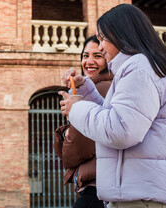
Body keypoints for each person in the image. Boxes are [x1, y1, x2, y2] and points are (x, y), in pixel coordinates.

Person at [58, 4, 166, 208]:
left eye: (103, 38)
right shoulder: (143, 67)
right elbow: (119, 115)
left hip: (144, 198)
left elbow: (120, 130)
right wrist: (84, 88)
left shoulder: (139, 69)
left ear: (121, 34)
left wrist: (75, 109)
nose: (100, 47)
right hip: (145, 194)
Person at [54, 35, 112, 208]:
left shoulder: (104, 87)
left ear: (108, 58)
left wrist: (66, 133)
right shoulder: (95, 88)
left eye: (97, 56)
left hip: (98, 186)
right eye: (85, 56)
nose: (89, 62)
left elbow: (73, 153)